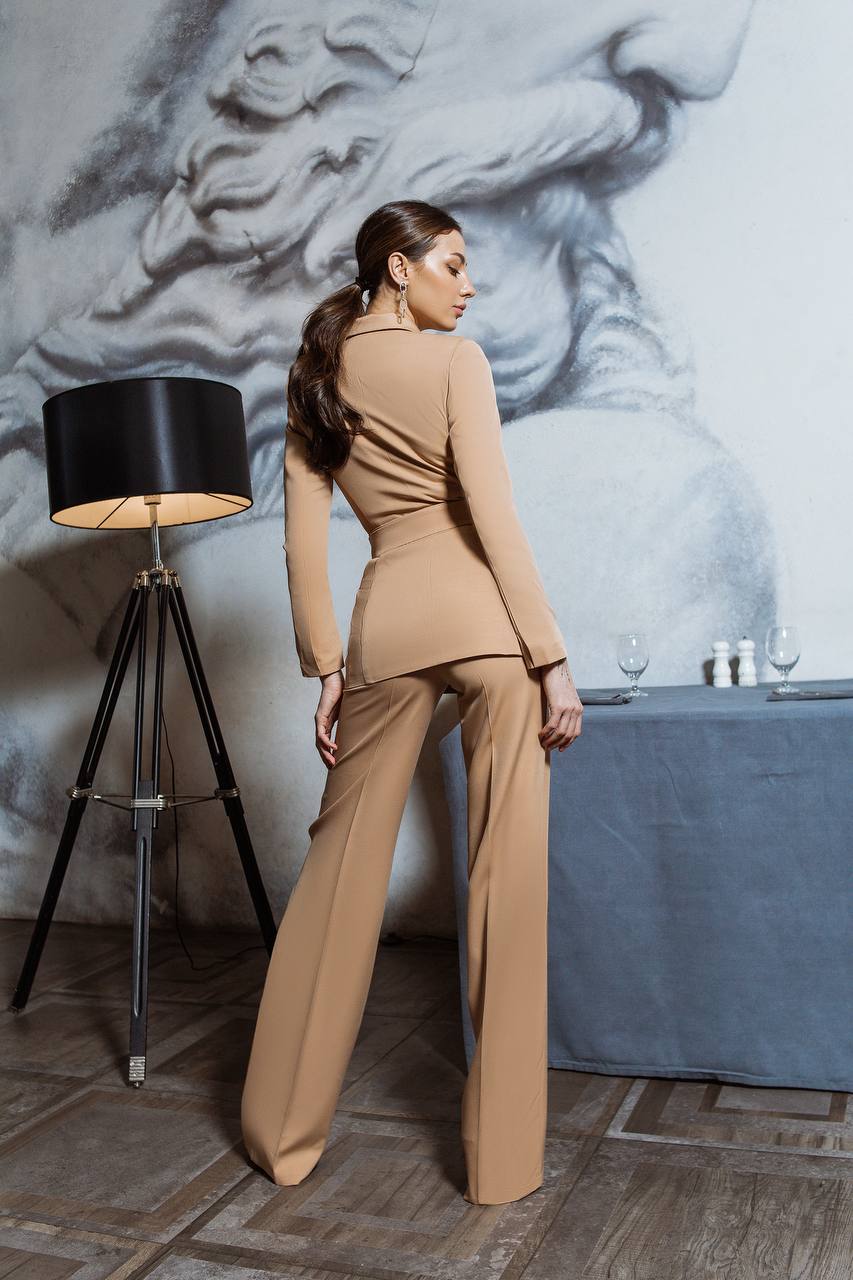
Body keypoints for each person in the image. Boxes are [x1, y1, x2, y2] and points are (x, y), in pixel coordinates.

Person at [240, 199, 583, 1206]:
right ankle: (502, 1168)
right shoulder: (455, 364)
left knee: (338, 878)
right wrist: (550, 654)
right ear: (398, 267)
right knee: (504, 888)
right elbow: (492, 513)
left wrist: (327, 667)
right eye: (454, 263)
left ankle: (281, 1135)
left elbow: (303, 540)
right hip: (487, 632)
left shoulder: (314, 375)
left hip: (387, 630)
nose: (468, 285)